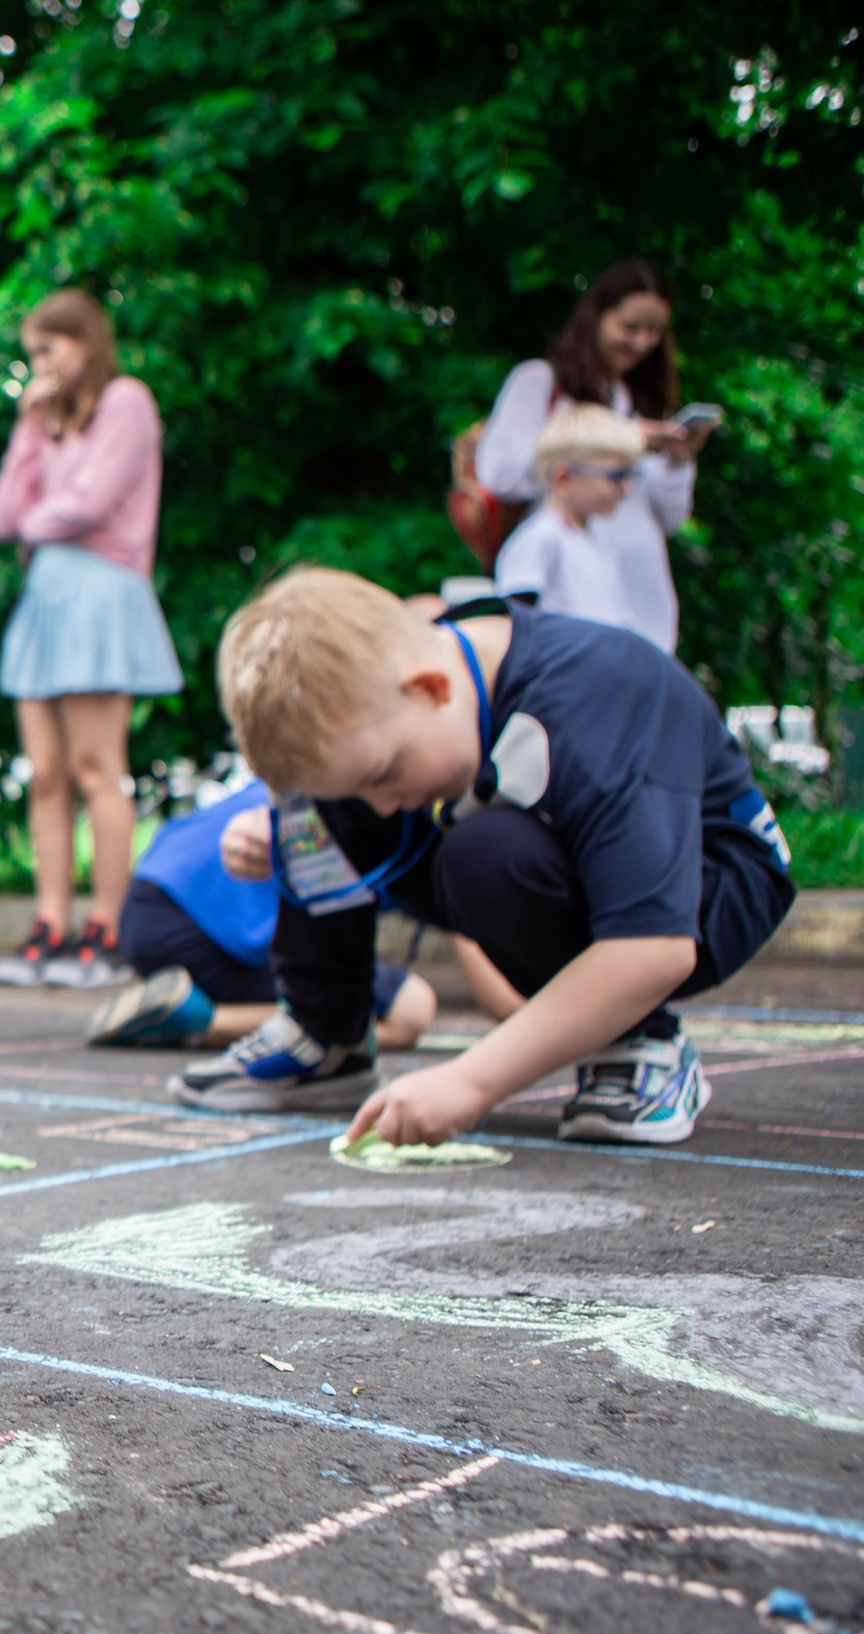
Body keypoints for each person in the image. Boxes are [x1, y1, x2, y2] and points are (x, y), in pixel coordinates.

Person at [174, 569, 793, 1147]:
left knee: (486, 853)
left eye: (386, 774)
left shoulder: (595, 696)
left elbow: (656, 947)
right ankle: (327, 1033)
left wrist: (471, 1081)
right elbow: (354, 784)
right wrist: (288, 831)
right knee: (316, 810)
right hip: (551, 852)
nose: (382, 807)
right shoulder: (423, 695)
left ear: (431, 687)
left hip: (707, 893)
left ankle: (638, 1041)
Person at [0, 290, 179, 990]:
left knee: (97, 767)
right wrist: (27, 430)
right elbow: (4, 516)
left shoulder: (127, 401)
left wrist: (36, 523)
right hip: (47, 598)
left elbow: (92, 502)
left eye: (49, 349)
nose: (39, 364)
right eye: (32, 353)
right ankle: (51, 923)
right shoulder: (48, 422)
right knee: (45, 772)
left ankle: (109, 925)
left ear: (85, 343)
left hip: (101, 594)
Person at [472, 258, 717, 655]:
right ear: (596, 316)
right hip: (569, 637)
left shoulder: (641, 400)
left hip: (643, 618)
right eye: (630, 327)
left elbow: (670, 518)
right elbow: (499, 473)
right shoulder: (540, 383)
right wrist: (619, 440)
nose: (642, 343)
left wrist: (678, 461)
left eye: (654, 331)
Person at [85, 781, 440, 1053]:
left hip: (146, 898)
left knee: (341, 972)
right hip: (196, 924)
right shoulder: (406, 812)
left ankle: (191, 1007)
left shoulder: (319, 766)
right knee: (411, 1009)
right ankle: (197, 1020)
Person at [494, 405, 654, 641]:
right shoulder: (540, 538)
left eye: (630, 476)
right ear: (564, 479)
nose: (627, 488)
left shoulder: (598, 541)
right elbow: (515, 626)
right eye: (616, 477)